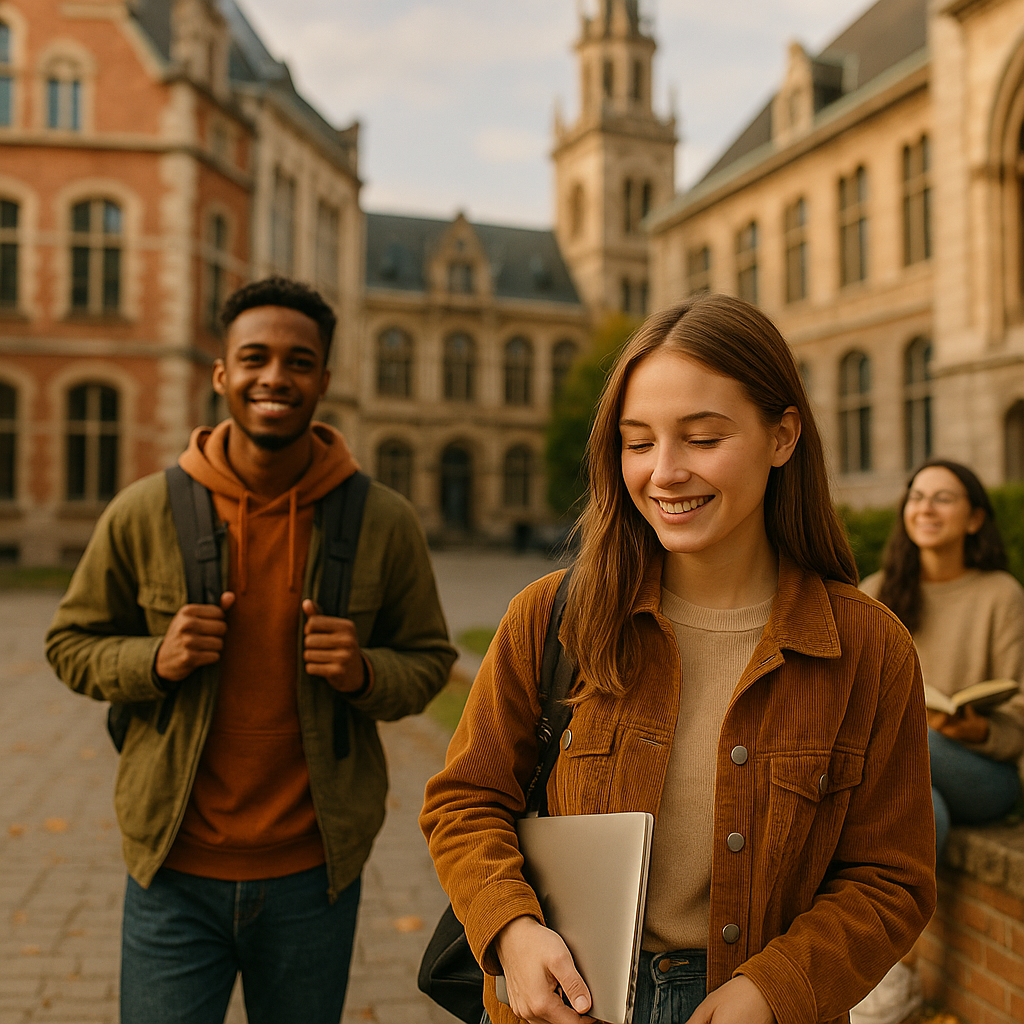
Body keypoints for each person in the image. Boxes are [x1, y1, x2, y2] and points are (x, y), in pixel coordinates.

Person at [420, 294, 936, 1024]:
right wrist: (511, 927)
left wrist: (775, 990)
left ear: (783, 436)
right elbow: (464, 801)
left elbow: (891, 879)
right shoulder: (550, 618)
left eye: (701, 438)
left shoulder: (869, 648)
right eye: (638, 443)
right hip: (569, 1004)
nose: (663, 473)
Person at [46, 277, 456, 1024]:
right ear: (221, 373)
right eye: (254, 358)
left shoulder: (383, 521)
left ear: (324, 380)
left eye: (299, 362)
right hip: (172, 870)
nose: (275, 377)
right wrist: (155, 660)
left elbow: (430, 660)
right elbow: (69, 644)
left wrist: (365, 671)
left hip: (314, 875)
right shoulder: (146, 510)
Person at [851, 460, 1024, 1024]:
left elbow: (1018, 711)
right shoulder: (877, 592)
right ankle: (894, 975)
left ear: (974, 518)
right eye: (917, 496)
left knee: (914, 752)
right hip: (912, 774)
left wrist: (976, 728)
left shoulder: (1000, 594)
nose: (925, 508)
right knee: (926, 807)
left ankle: (874, 969)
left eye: (942, 498)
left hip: (983, 772)